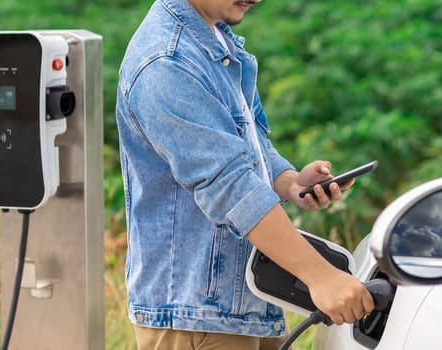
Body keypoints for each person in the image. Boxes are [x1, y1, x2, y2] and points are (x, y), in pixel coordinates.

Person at [115, 0, 374, 349]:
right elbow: (230, 186)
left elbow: (248, 144)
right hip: (195, 317)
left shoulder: (214, 39)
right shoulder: (166, 63)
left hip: (243, 304)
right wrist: (321, 276)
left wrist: (290, 182)